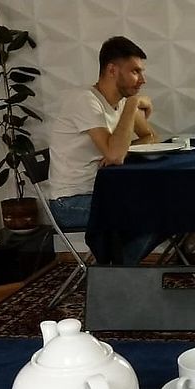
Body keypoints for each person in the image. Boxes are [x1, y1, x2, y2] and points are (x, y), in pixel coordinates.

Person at [47, 36, 159, 264]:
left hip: (104, 193)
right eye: (135, 71)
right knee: (153, 213)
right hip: (70, 202)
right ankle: (115, 271)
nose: (143, 80)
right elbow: (115, 155)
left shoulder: (121, 101)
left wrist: (122, 149)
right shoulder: (85, 101)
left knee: (166, 206)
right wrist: (133, 104)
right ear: (112, 70)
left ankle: (116, 268)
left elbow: (151, 137)